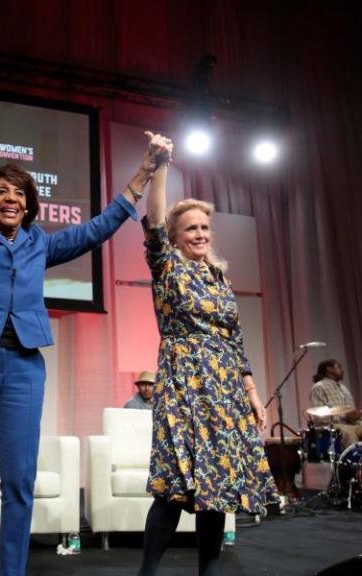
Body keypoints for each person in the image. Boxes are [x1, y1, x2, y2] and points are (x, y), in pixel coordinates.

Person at [0, 103, 158, 574]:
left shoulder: (41, 242)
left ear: (29, 203)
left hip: (24, 366)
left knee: (20, 480)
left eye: (18, 192)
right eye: (1, 191)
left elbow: (97, 228)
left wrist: (142, 174)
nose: (11, 198)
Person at [139, 136, 278, 576]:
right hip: (184, 381)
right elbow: (155, 220)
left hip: (225, 389)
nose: (199, 234)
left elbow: (236, 341)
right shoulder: (167, 266)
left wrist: (252, 393)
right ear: (176, 237)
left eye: (204, 228)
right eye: (191, 229)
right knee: (175, 485)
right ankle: (147, 572)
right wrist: (162, 165)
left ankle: (210, 573)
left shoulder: (219, 279)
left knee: (218, 484)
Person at [309, 359, 362, 445]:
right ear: (329, 369)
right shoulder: (319, 387)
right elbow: (319, 418)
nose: (342, 370)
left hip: (350, 424)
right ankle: (352, 458)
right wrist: (344, 415)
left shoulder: (343, 388)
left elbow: (351, 412)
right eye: (339, 367)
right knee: (349, 433)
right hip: (333, 426)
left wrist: (356, 415)